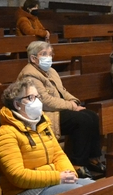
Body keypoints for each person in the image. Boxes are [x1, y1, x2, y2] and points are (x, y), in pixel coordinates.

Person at [17, 41, 104, 178]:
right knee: (82, 120)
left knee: (92, 116)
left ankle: (93, 158)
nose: (49, 57)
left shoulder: (51, 71)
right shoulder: (29, 74)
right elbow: (44, 101)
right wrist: (71, 106)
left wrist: (75, 101)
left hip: (57, 109)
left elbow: (62, 91)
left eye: (50, 54)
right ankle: (77, 164)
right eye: (44, 54)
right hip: (42, 114)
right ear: (33, 58)